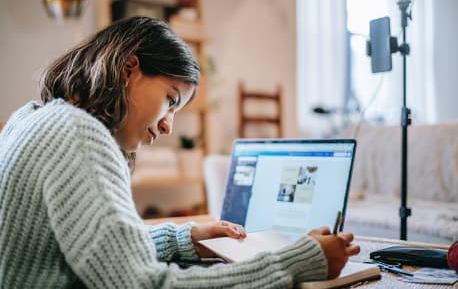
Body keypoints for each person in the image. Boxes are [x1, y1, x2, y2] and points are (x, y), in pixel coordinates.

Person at [0, 16, 359, 288]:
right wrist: (295, 262)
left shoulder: (33, 118)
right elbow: (143, 284)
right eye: (170, 100)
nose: (169, 125)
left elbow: (100, 250)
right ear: (129, 69)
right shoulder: (78, 135)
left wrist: (187, 239)